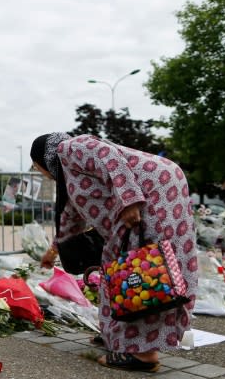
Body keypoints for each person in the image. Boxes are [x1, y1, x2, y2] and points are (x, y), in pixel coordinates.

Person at [31, 133, 198, 373]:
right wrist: (52, 251)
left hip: (152, 192)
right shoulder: (71, 174)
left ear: (44, 159)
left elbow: (105, 154)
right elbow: (70, 218)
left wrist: (129, 200)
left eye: (39, 169)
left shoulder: (68, 148)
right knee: (127, 270)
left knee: (143, 272)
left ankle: (142, 354)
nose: (43, 175)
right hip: (155, 188)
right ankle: (121, 336)